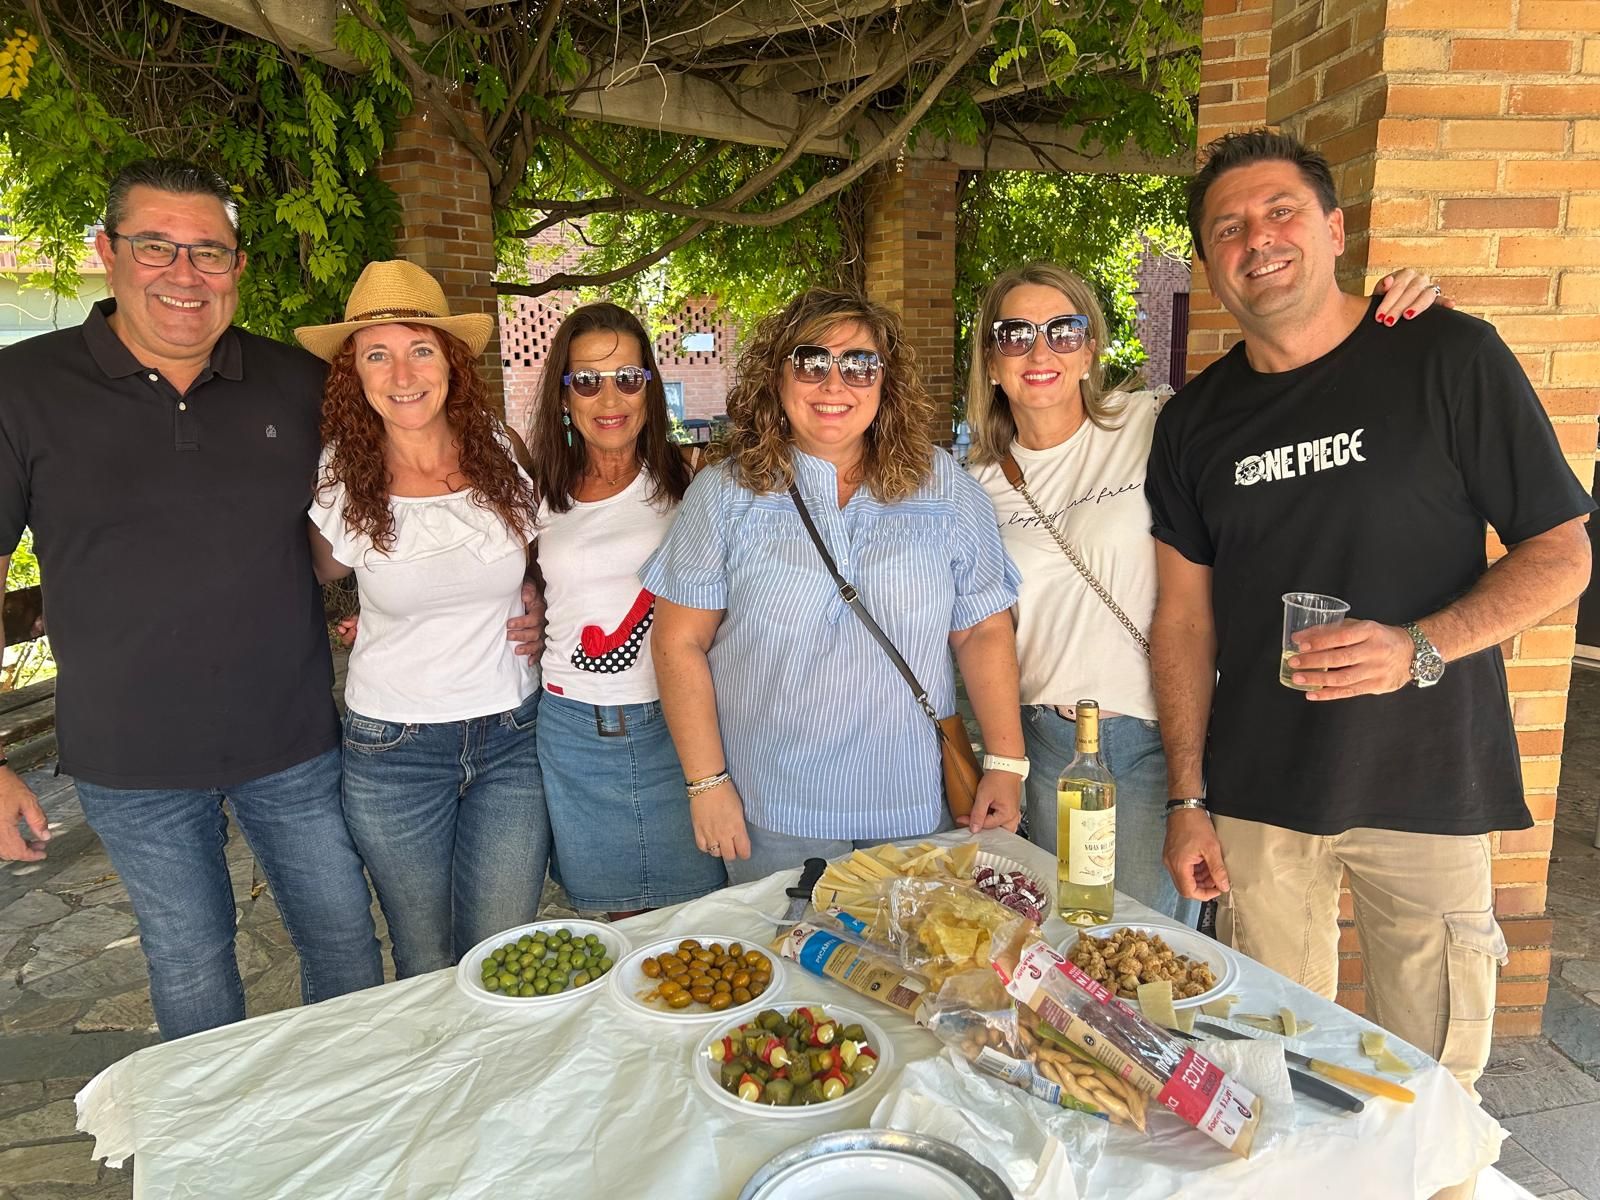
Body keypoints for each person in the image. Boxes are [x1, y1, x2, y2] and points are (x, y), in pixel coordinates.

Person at [1147, 129, 1593, 1191]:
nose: (1258, 239)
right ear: (1210, 264)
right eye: (1228, 227)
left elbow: (1563, 552)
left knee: (1434, 1085)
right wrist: (1187, 797)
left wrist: (1420, 647)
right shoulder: (1194, 420)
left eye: (1281, 212)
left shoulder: (1446, 356)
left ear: (1335, 229)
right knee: (1271, 1071)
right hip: (1261, 798)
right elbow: (1183, 622)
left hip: (1428, 781)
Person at [0, 159, 382, 1039]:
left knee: (343, 941)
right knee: (191, 963)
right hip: (129, 756)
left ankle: (360, 1106)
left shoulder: (298, 382)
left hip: (292, 737)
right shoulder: (21, 389)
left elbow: (382, 506)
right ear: (107, 253)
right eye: (155, 247)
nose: (184, 273)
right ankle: (217, 1127)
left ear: (237, 266)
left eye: (208, 252)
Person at [965, 262, 1442, 925]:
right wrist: (1005, 759)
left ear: (1090, 348)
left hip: (1154, 736)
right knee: (1064, 938)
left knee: (1138, 950)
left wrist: (1388, 326)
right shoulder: (976, 484)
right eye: (1015, 334)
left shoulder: (1154, 422)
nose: (1040, 352)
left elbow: (1288, 392)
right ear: (991, 361)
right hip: (1048, 743)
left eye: (1063, 330)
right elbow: (985, 627)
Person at [645, 288, 1026, 885]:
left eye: (859, 365)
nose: (834, 383)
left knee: (916, 946)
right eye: (811, 361)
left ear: (885, 381)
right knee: (787, 944)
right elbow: (678, 642)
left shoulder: (944, 489)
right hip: (772, 806)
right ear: (777, 376)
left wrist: (1005, 762)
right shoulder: (725, 494)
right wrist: (707, 783)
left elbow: (982, 630)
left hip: (912, 800)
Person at [296, 260, 548, 978]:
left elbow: (536, 563)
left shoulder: (500, 450)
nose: (402, 373)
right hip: (394, 750)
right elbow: (320, 574)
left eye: (420, 349)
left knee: (502, 950)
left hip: (512, 736)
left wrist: (539, 599)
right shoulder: (341, 474)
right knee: (427, 956)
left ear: (451, 362)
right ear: (354, 372)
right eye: (377, 354)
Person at [524, 303, 726, 915]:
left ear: (650, 388)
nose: (609, 398)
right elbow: (511, 582)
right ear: (564, 396)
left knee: (699, 916)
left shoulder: (695, 478)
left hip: (678, 726)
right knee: (615, 918)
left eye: (628, 379)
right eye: (587, 380)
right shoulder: (539, 491)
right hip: (573, 730)